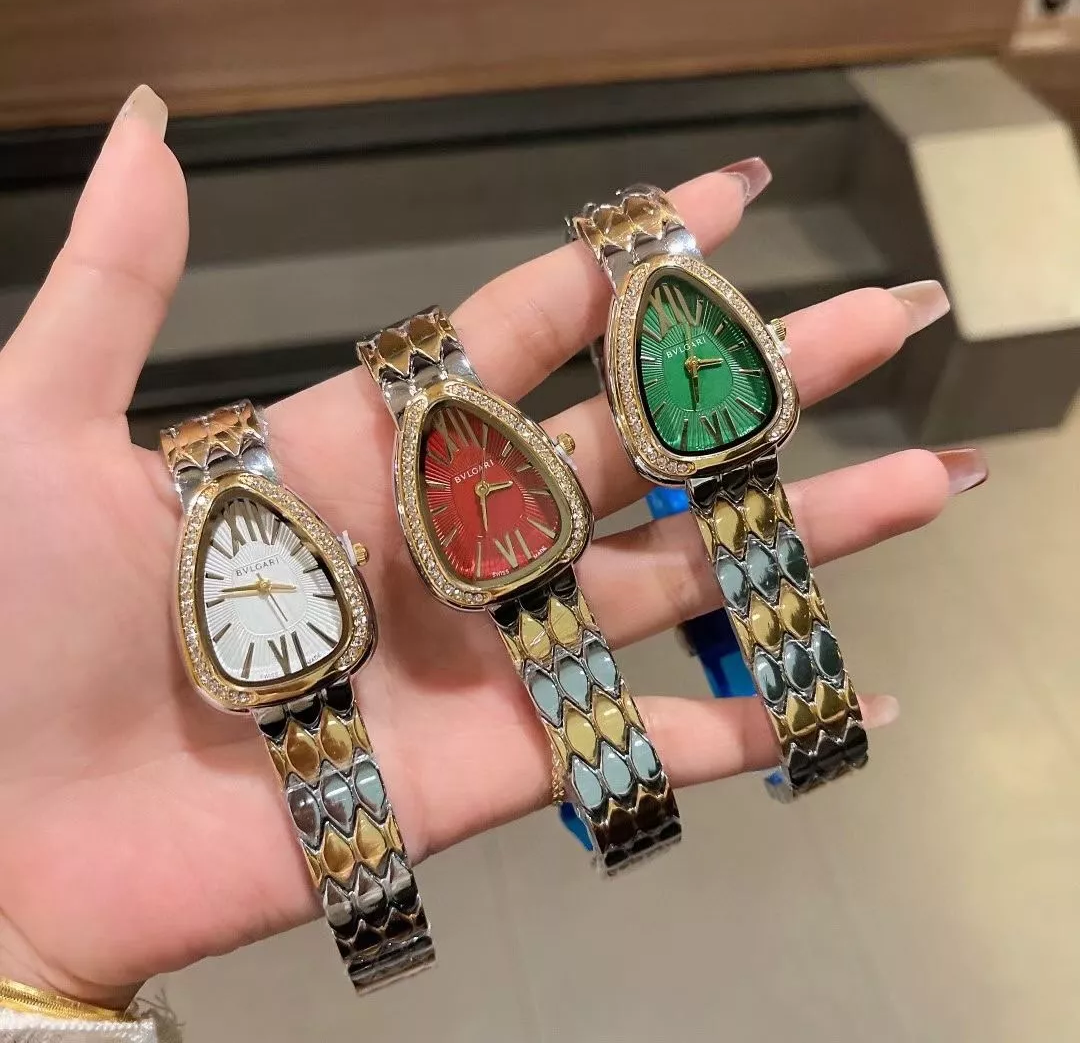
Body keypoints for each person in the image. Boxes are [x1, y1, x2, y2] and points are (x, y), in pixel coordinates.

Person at [0, 86, 986, 1027]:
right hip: (449, 606)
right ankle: (464, 898)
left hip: (578, 527)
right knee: (604, 761)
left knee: (681, 677)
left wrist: (32, 974)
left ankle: (717, 753)